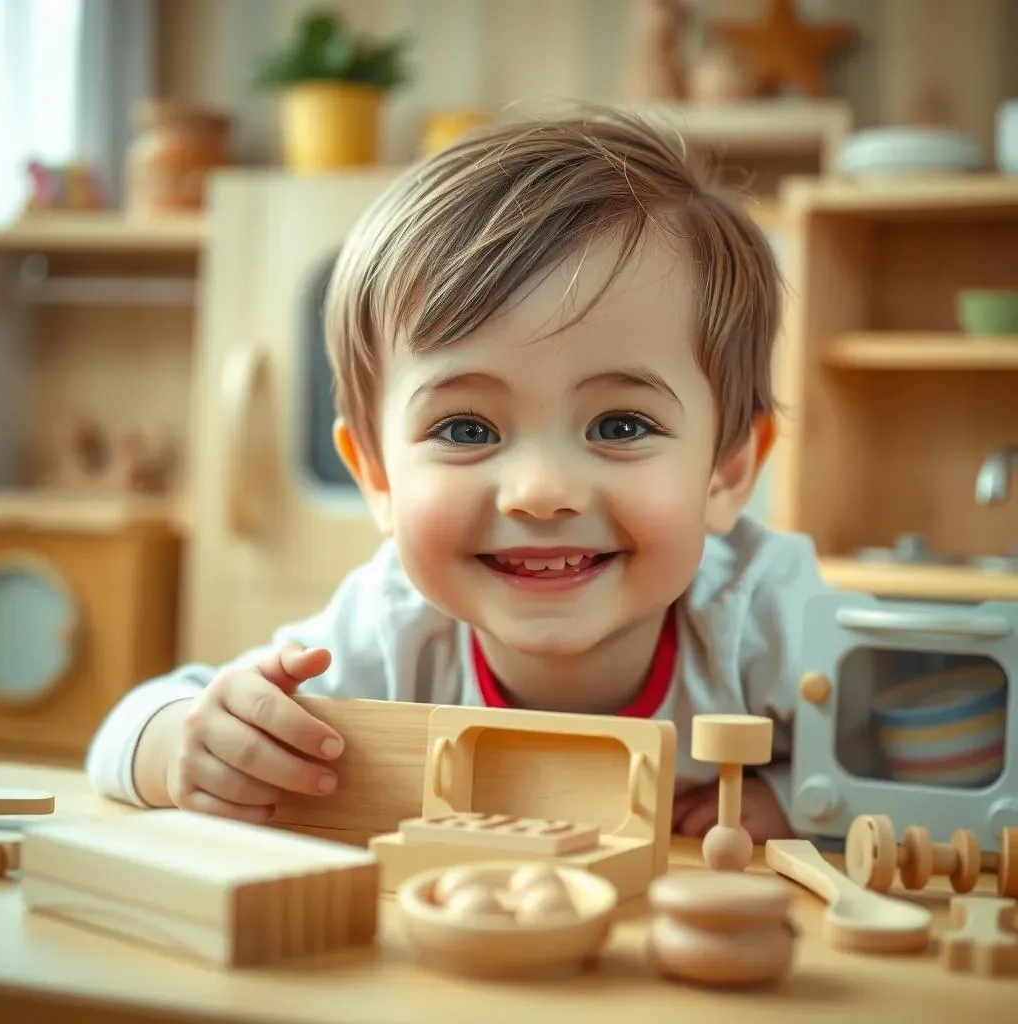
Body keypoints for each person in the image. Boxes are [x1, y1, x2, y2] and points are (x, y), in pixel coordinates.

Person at [86, 109, 826, 842]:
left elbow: (927, 759)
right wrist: (187, 747)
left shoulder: (762, 617)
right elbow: (125, 732)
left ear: (727, 473)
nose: (540, 491)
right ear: (376, 478)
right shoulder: (390, 629)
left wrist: (801, 798)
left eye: (620, 426)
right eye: (466, 429)